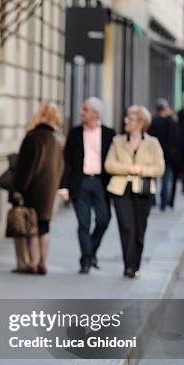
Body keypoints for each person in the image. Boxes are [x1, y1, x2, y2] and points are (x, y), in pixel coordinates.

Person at [105, 105, 165, 278]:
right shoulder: (118, 141)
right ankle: (128, 266)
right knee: (126, 227)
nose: (126, 122)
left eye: (130, 119)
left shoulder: (152, 143)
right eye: (127, 119)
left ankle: (135, 264)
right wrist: (127, 169)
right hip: (121, 190)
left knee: (139, 230)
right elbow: (109, 164)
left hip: (143, 190)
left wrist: (140, 170)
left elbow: (159, 168)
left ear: (140, 123)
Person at [59, 97, 115, 274]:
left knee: (104, 219)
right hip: (80, 182)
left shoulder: (109, 133)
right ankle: (86, 260)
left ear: (95, 113)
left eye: (85, 110)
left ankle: (90, 253)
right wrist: (64, 186)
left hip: (100, 182)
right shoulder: (75, 133)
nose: (81, 113)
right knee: (83, 223)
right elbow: (66, 161)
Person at [13, 103, 64, 274]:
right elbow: (60, 166)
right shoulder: (56, 140)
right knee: (45, 226)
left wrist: (19, 188)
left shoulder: (33, 137)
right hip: (49, 190)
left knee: (32, 227)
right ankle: (43, 262)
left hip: (33, 189)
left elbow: (26, 167)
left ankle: (33, 263)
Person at [148, 98, 180, 211]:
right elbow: (175, 140)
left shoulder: (153, 121)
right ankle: (163, 204)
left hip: (155, 155)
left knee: (153, 179)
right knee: (165, 180)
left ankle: (152, 201)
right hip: (167, 156)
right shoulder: (171, 122)